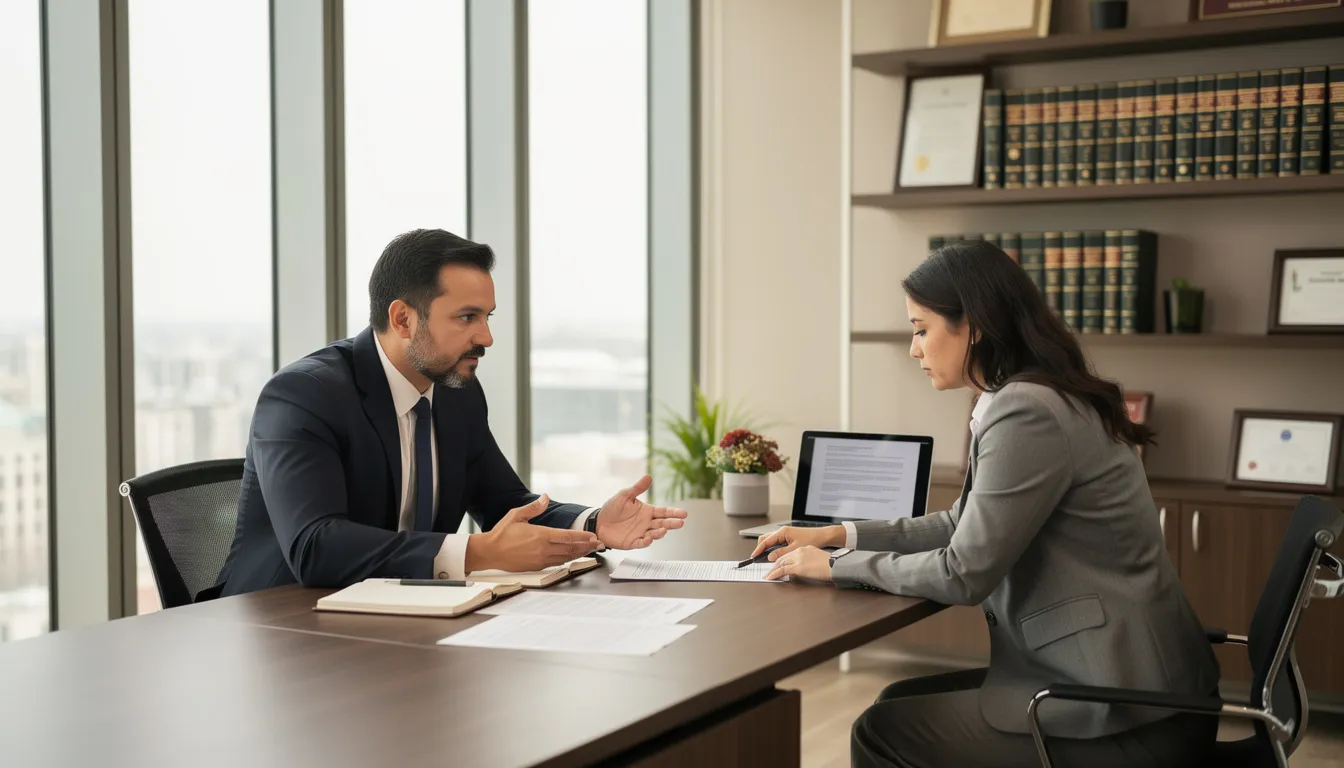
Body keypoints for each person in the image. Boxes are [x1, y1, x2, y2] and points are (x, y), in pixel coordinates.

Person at [750, 241, 1220, 767]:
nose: (914, 348)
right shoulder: (1026, 395)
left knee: (879, 732)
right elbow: (960, 523)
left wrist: (837, 567)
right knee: (895, 701)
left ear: (972, 325)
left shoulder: (1027, 410)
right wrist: (838, 535)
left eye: (921, 328)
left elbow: (965, 571)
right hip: (1120, 681)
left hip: (1126, 709)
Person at [205, 229, 686, 599]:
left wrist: (594, 522)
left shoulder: (457, 395)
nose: (487, 338)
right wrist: (477, 553)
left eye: (487, 317)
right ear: (402, 319)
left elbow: (506, 501)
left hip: (399, 621)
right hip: (282, 628)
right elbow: (315, 547)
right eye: (466, 317)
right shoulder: (303, 395)